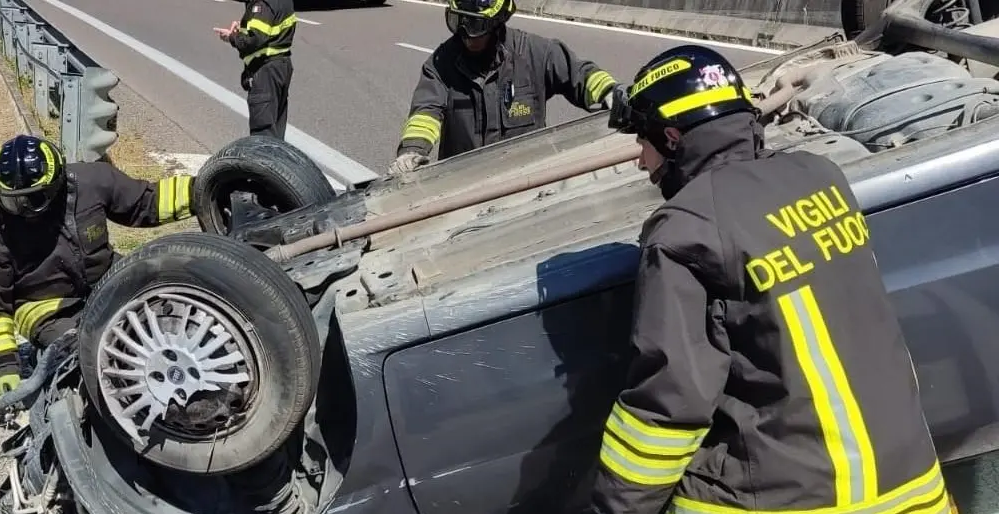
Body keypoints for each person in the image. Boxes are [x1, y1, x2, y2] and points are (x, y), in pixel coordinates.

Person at [592, 44, 951, 513]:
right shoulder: (824, 179)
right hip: (913, 491)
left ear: (674, 137)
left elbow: (668, 407)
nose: (642, 162)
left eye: (643, 142)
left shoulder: (685, 228)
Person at [0, 134, 199, 404]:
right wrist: (3, 368)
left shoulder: (91, 182)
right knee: (90, 356)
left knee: (165, 310)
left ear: (57, 184)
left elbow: (147, 203)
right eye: (12, 201)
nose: (23, 210)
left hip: (106, 279)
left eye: (34, 199)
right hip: (45, 307)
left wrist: (203, 189)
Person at [387, 0, 619, 176]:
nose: (465, 35)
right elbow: (426, 111)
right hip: (462, 185)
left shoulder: (534, 53)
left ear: (497, 23)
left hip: (525, 183)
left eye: (475, 25)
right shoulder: (441, 64)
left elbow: (580, 74)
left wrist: (610, 94)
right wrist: (412, 151)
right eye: (459, 22)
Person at [215, 0, 296, 140]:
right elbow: (269, 29)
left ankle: (264, 161)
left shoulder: (262, 5)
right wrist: (242, 30)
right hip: (281, 65)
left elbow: (254, 40)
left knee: (262, 133)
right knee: (276, 130)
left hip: (265, 71)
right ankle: (274, 160)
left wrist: (232, 37)